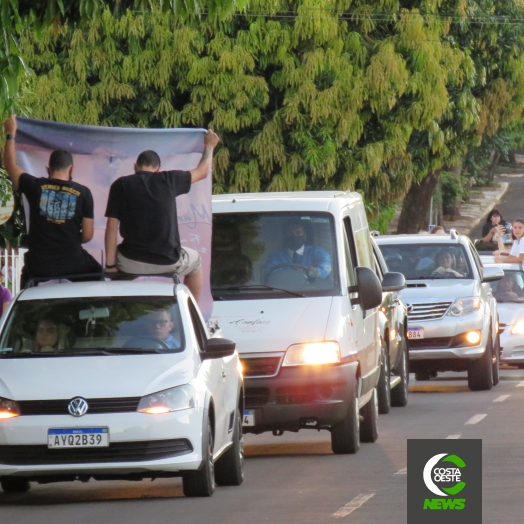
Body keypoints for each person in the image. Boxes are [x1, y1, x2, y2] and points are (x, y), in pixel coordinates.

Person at [104, 131, 220, 303]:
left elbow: (111, 227)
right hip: (168, 261)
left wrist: (110, 266)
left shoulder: (120, 184)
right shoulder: (169, 179)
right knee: (195, 263)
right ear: (158, 169)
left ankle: (118, 314)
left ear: (135, 167)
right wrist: (209, 146)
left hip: (131, 261)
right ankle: (192, 313)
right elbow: (203, 172)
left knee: (118, 273)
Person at [2, 116, 102, 287]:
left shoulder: (35, 186)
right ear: (71, 169)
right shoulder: (84, 193)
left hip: (40, 265)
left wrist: (10, 134)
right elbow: (87, 235)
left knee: (27, 281)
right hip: (74, 263)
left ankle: (27, 310)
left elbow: (9, 164)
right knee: (98, 275)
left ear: (48, 169)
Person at [265, 219, 331, 281]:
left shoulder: (316, 251)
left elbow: (327, 264)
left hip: (313, 289)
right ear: (285, 235)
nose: (294, 236)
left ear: (304, 235)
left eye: (298, 232)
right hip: (284, 290)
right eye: (290, 233)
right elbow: (269, 271)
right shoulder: (277, 255)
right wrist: (288, 272)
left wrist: (317, 271)